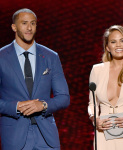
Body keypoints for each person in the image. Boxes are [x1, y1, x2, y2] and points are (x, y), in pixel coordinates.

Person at [0, 8, 70, 150]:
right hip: (14, 136)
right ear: (14, 27)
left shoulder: (50, 56)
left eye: (33, 23)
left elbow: (64, 97)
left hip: (46, 136)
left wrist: (43, 105)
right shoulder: (1, 57)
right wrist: (16, 107)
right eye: (24, 23)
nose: (29, 28)